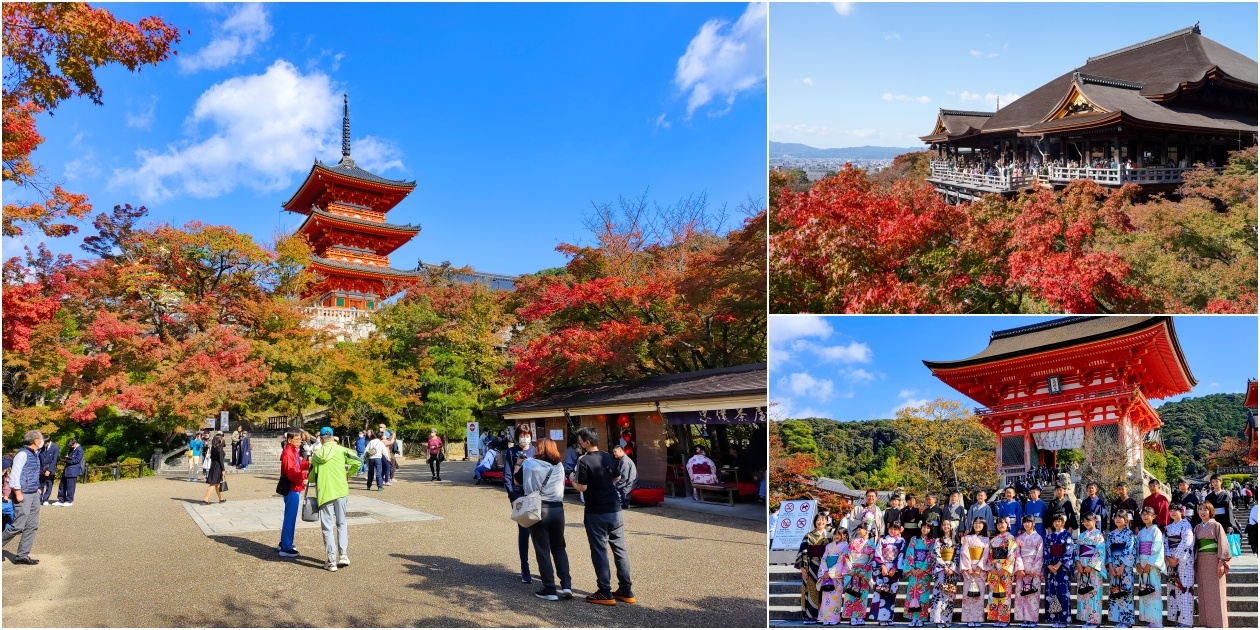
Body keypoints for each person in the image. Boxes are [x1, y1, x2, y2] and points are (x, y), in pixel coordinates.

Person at [570, 426, 634, 606]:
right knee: (620, 550)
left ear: (587, 442)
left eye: (581, 441)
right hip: (615, 509)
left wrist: (573, 479)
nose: (579, 444)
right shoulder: (607, 456)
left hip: (596, 511)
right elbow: (616, 478)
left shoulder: (584, 460)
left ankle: (605, 591)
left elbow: (582, 487)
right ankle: (626, 589)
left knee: (599, 550)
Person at [522, 437, 573, 601]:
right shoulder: (559, 466)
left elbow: (522, 483)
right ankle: (566, 586)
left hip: (539, 508)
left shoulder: (530, 464)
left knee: (542, 549)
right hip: (558, 509)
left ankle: (550, 589)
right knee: (559, 547)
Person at [3, 431, 46, 564]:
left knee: (32, 525)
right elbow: (15, 475)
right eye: (41, 438)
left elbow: (33, 473)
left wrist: (38, 488)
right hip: (23, 493)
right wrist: (17, 493)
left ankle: (22, 555)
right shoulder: (22, 454)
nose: (42, 440)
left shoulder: (35, 453)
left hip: (33, 492)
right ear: (35, 440)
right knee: (18, 526)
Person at [1193, 501, 1233, 627]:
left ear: (1210, 511)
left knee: (1217, 592)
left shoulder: (1216, 526)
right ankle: (1206, 622)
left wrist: (1221, 562)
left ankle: (1219, 623)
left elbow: (1222, 544)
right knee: (1203, 592)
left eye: (1205, 509)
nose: (1202, 512)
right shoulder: (1197, 528)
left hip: (1214, 560)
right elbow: (1194, 547)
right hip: (1201, 560)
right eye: (1200, 509)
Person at [505, 424, 536, 584]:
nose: (525, 438)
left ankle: (544, 568)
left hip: (534, 495)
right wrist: (512, 496)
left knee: (539, 532)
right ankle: (525, 568)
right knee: (524, 531)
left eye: (527, 435)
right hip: (518, 495)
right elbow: (507, 475)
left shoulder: (536, 451)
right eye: (522, 435)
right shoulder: (511, 452)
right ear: (517, 437)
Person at [278, 430, 310, 558]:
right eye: (297, 439)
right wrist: (307, 474)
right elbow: (291, 474)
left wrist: (309, 464)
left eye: (300, 439)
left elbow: (299, 465)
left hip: (294, 487)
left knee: (289, 517)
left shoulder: (293, 451)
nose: (299, 442)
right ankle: (286, 546)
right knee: (290, 518)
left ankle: (284, 543)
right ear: (290, 440)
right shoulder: (287, 453)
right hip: (292, 488)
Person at [1164, 504, 1195, 628]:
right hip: (1171, 560)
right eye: (1170, 511)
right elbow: (1165, 543)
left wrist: (1176, 557)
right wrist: (1168, 557)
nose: (1172, 513)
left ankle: (1186, 621)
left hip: (1183, 560)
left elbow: (1187, 541)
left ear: (1182, 512)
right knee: (1174, 588)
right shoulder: (1168, 527)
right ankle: (1177, 619)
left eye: (1175, 510)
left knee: (1184, 588)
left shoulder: (1186, 525)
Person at [1134, 506, 1166, 628]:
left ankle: (1157, 621)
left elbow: (1157, 547)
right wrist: (1137, 563)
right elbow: (1137, 549)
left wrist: (1149, 564)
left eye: (1148, 514)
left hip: (1151, 564)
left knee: (1154, 590)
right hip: (1141, 563)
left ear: (1154, 517)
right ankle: (1148, 620)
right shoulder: (1141, 533)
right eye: (1143, 514)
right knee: (1144, 590)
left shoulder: (1156, 531)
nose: (1145, 516)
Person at [1043, 513, 1075, 627]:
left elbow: (1069, 551)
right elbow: (1046, 551)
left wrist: (1059, 564)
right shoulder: (1049, 536)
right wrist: (1050, 565)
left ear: (1063, 522)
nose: (1057, 523)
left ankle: (1063, 620)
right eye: (1055, 521)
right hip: (1051, 568)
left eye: (1059, 521)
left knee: (1063, 593)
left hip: (1062, 569)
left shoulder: (1067, 535)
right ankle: (1054, 619)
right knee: (1051, 593)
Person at [871, 521, 905, 626]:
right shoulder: (882, 540)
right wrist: (882, 566)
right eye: (891, 528)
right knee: (880, 591)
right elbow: (877, 554)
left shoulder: (901, 541)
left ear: (899, 530)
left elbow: (901, 555)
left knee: (892, 592)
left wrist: (895, 568)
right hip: (883, 568)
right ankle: (881, 617)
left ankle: (889, 617)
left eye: (895, 529)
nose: (893, 531)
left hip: (893, 570)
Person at [902, 521, 935, 627]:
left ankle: (921, 618)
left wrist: (923, 569)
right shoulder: (914, 539)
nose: (925, 529)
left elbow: (930, 556)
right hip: (913, 569)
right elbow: (909, 553)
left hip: (924, 572)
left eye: (928, 528)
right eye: (924, 527)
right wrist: (911, 568)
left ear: (931, 530)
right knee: (913, 593)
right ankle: (912, 618)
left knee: (923, 596)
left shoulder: (932, 541)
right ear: (920, 528)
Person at [1076, 513, 1107, 628]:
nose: (1087, 523)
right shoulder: (1081, 536)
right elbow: (1077, 550)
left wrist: (1092, 565)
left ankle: (1094, 620)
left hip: (1093, 569)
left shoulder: (1099, 535)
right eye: (1084, 521)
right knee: (1084, 593)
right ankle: (1086, 619)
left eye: (1089, 520)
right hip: (1082, 567)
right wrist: (1078, 562)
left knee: (1094, 593)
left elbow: (1100, 551)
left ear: (1095, 520)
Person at [1012, 515, 1043, 627]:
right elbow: (1017, 554)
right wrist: (1019, 568)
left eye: (1029, 522)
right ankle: (1023, 618)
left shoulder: (1039, 538)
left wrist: (1035, 569)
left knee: (1033, 594)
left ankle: (1032, 619)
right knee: (1021, 594)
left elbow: (1040, 554)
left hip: (1034, 569)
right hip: (1022, 570)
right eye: (1024, 522)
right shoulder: (1019, 539)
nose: (1026, 524)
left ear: (1034, 523)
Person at [1107, 511, 1137, 627]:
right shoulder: (1111, 535)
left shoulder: (1129, 534)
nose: (1118, 519)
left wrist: (1123, 566)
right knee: (1115, 591)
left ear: (1126, 520)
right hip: (1113, 566)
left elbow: (1130, 550)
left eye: (1121, 517)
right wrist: (1110, 566)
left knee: (1126, 592)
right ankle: (1118, 619)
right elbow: (1108, 551)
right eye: (1116, 517)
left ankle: (1127, 621)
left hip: (1125, 567)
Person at [798, 513, 829, 623]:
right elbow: (803, 552)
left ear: (827, 521)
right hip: (811, 565)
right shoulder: (808, 535)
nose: (821, 522)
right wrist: (803, 568)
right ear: (815, 522)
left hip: (826, 567)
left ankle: (823, 615)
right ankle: (810, 615)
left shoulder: (830, 535)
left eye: (823, 520)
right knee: (811, 590)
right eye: (818, 520)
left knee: (825, 591)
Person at [985, 518, 1017, 627]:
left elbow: (1012, 554)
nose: (1000, 525)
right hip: (994, 570)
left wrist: (1004, 568)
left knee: (1005, 595)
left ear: (1007, 525)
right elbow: (989, 556)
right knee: (994, 594)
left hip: (1005, 571)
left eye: (1002, 523)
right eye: (998, 523)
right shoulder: (993, 540)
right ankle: (995, 618)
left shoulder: (1011, 538)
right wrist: (992, 568)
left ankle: (1004, 619)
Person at [959, 518, 990, 628]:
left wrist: (979, 568)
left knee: (979, 594)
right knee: (968, 594)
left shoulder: (986, 539)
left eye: (980, 523)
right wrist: (968, 568)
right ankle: (969, 618)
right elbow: (964, 553)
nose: (977, 525)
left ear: (984, 525)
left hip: (980, 570)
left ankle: (978, 618)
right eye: (975, 523)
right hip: (969, 569)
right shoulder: (967, 538)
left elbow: (986, 555)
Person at [844, 524, 876, 626]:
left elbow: (872, 559)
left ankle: (860, 616)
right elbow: (846, 556)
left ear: (866, 530)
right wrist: (851, 569)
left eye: (860, 529)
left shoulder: (871, 544)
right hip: (852, 570)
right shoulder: (853, 542)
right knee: (851, 593)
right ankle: (852, 617)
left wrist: (864, 571)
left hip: (864, 571)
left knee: (862, 595)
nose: (858, 531)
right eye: (857, 529)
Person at [929, 518, 959, 628]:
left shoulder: (956, 541)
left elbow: (957, 556)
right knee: (938, 594)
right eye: (944, 524)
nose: (946, 526)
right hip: (941, 570)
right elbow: (935, 554)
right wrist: (944, 566)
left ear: (951, 527)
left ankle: (947, 619)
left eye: (948, 524)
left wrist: (951, 567)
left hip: (951, 571)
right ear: (942, 527)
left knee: (949, 595)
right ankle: (938, 619)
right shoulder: (938, 541)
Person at [818, 527, 849, 626]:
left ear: (844, 536)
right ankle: (825, 618)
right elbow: (824, 559)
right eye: (835, 534)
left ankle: (835, 618)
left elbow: (841, 560)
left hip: (836, 575)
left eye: (839, 534)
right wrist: (825, 572)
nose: (836, 536)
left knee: (836, 597)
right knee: (826, 596)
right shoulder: (828, 546)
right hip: (827, 574)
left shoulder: (845, 546)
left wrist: (831, 572)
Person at [54, 439, 83, 506]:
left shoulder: (79, 450)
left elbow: (77, 460)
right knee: (62, 485)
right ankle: (61, 499)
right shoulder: (72, 449)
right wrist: (65, 459)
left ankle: (69, 500)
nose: (71, 447)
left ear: (75, 443)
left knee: (70, 486)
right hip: (67, 469)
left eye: (71, 445)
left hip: (73, 470)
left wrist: (67, 461)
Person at [201, 435, 226, 504]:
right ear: (219, 440)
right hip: (217, 466)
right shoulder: (219, 448)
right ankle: (205, 498)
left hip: (213, 465)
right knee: (213, 483)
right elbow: (221, 460)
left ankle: (221, 498)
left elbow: (212, 457)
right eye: (222, 439)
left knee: (217, 484)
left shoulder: (213, 447)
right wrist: (223, 470)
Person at [611, 445, 637, 509]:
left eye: (615, 452)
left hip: (629, 483)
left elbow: (624, 477)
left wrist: (615, 482)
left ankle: (621, 503)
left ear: (620, 451)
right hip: (627, 481)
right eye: (613, 452)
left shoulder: (625, 461)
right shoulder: (622, 459)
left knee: (613, 486)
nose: (614, 454)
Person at [37, 437, 59, 505]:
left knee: (49, 484)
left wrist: (49, 470)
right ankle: (40, 499)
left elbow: (54, 460)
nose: (44, 444)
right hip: (41, 468)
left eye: (45, 442)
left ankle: (45, 499)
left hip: (50, 468)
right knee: (40, 484)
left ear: (48, 441)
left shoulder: (55, 447)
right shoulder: (41, 447)